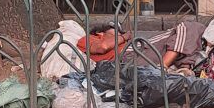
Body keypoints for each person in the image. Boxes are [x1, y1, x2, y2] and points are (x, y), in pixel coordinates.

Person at [77, 21, 207, 70]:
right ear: (100, 33)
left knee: (184, 37)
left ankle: (184, 68)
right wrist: (125, 37)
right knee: (187, 26)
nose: (119, 35)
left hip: (136, 53)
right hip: (129, 56)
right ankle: (164, 67)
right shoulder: (88, 39)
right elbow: (103, 47)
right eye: (115, 33)